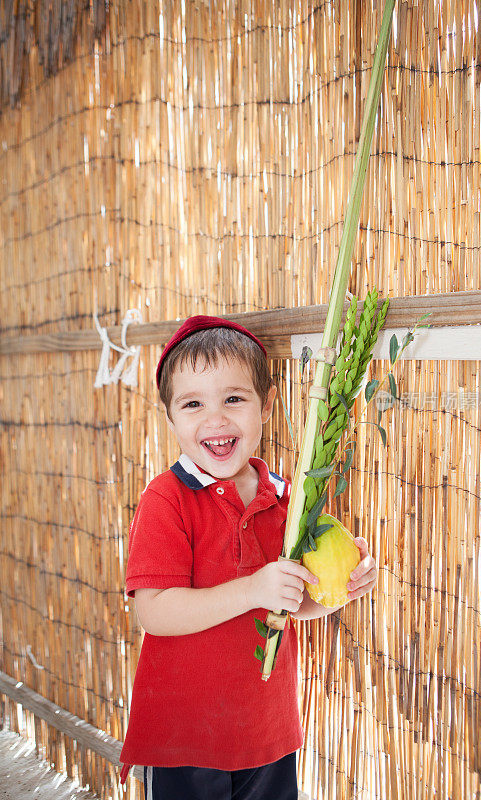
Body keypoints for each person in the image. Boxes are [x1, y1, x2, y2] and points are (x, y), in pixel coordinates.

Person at [119, 315, 377, 800]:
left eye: (233, 399)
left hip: (268, 731)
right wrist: (251, 588)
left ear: (266, 405)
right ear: (170, 417)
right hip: (184, 738)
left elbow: (290, 602)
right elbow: (153, 611)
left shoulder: (287, 501)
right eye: (193, 404)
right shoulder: (167, 499)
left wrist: (338, 594)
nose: (215, 420)